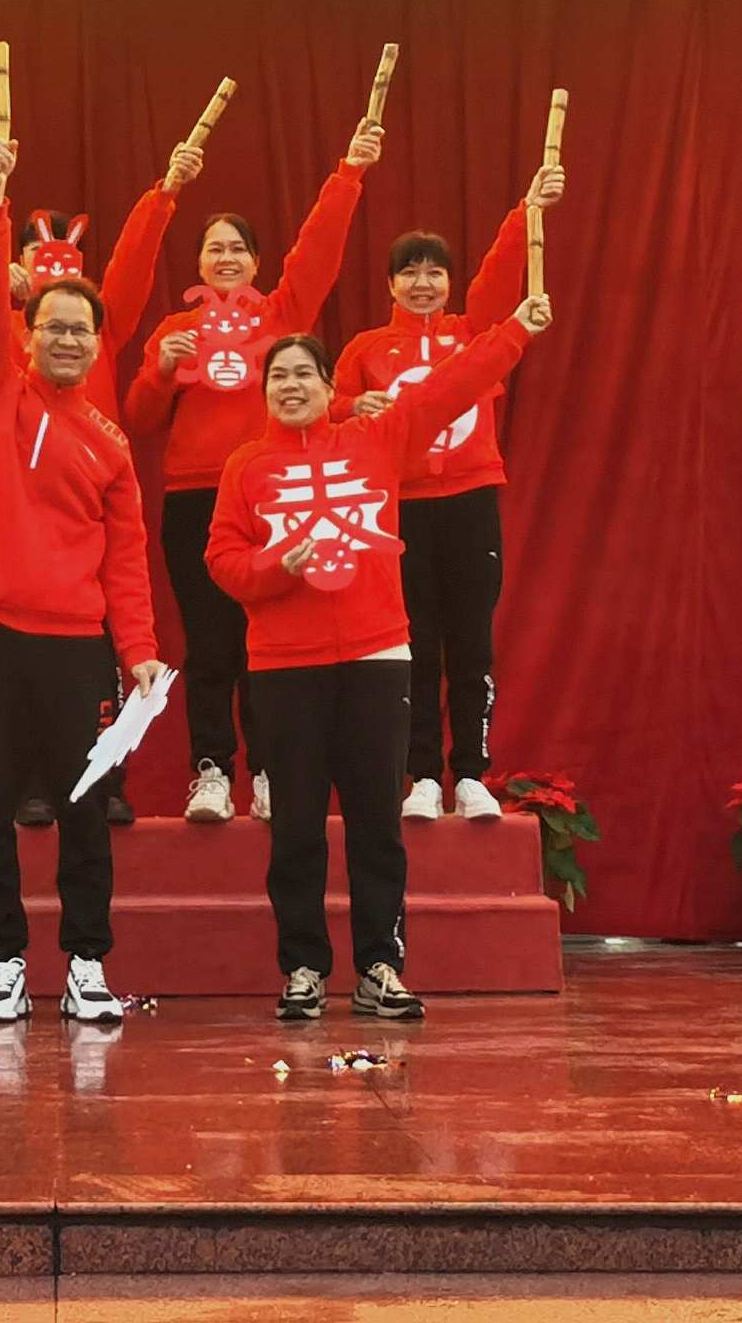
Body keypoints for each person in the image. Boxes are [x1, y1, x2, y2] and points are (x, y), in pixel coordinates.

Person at [213, 307, 546, 1025]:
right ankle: (303, 968)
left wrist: (513, 330)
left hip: (376, 657)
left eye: (303, 374)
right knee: (296, 827)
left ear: (329, 387)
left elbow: (451, 387)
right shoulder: (246, 466)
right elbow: (224, 561)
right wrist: (277, 567)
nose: (290, 386)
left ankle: (380, 967)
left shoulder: (374, 438)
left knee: (376, 825)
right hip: (283, 667)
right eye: (278, 377)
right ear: (263, 392)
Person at [0, 130, 168, 1026]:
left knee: (84, 810)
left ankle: (86, 963)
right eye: (53, 327)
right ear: (27, 335)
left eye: (81, 330)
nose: (67, 339)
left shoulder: (109, 444)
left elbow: (126, 558)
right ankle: (2, 963)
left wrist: (139, 652)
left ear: (99, 344)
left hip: (75, 648)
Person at [123, 106, 382, 823]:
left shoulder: (281, 315)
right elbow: (140, 418)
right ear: (198, 263)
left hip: (273, 492)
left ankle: (268, 770)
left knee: (267, 640)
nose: (226, 257)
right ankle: (211, 771)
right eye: (214, 248)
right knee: (210, 644)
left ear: (257, 262)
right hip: (193, 499)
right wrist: (161, 372)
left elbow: (318, 252)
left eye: (238, 247)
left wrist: (350, 173)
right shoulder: (176, 328)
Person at [329, 150, 568, 822]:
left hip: (469, 501)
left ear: (450, 282)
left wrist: (528, 210)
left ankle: (471, 774)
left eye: (435, 271)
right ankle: (423, 777)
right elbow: (328, 407)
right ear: (390, 284)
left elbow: (501, 273)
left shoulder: (472, 333)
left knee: (471, 643)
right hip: (400, 507)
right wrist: (352, 407)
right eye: (410, 272)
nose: (423, 283)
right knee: (414, 643)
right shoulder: (367, 349)